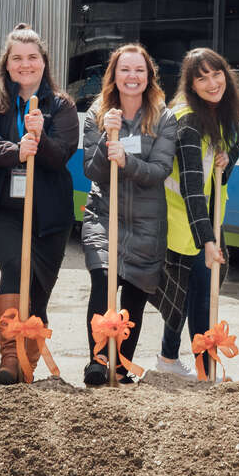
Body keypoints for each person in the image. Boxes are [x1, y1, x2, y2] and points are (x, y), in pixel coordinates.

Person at [0, 24, 79, 385]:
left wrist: (40, 136)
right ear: (7, 63)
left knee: (39, 291)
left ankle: (27, 367)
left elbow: (62, 154)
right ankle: (10, 356)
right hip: (0, 209)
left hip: (49, 215)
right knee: (17, 265)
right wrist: (17, 150)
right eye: (17, 58)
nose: (25, 64)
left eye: (32, 58)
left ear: (44, 63)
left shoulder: (61, 105)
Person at [80, 44, 177, 386]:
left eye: (139, 70)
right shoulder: (98, 113)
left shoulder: (163, 117)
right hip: (104, 217)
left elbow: (160, 170)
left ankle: (120, 366)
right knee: (103, 283)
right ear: (114, 76)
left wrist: (128, 161)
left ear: (149, 76)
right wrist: (108, 138)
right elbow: (91, 171)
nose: (132, 76)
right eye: (125, 70)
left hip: (147, 224)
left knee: (135, 295)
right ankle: (98, 358)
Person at [154, 48, 239, 379]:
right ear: (190, 85)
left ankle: (170, 360)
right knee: (194, 294)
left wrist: (227, 159)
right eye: (201, 77)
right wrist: (206, 239)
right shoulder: (188, 120)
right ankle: (202, 366)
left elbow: (226, 163)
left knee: (193, 293)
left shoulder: (226, 117)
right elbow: (192, 186)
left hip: (207, 216)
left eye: (216, 73)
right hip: (182, 221)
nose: (211, 82)